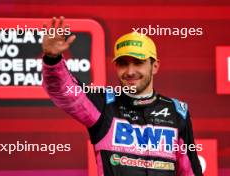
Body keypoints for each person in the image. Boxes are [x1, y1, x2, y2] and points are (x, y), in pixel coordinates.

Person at [42, 16, 203, 176]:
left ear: (154, 66)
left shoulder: (177, 111)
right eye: (123, 63)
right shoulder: (103, 104)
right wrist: (52, 59)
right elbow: (64, 91)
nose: (130, 71)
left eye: (138, 62)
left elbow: (189, 171)